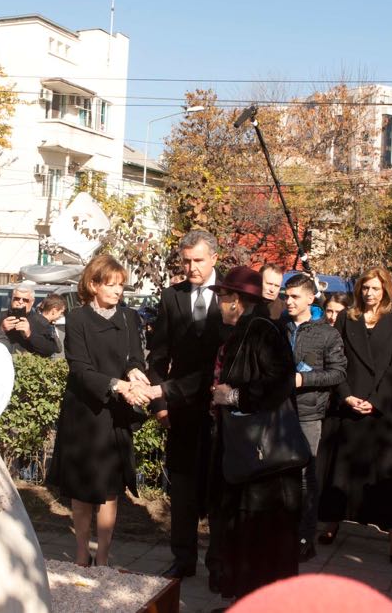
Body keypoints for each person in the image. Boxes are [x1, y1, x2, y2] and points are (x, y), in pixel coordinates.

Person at [132, 266, 303, 601]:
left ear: (237, 301)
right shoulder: (239, 331)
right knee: (236, 527)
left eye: (223, 297)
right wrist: (162, 391)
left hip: (263, 457)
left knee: (259, 532)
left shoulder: (262, 331)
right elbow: (201, 378)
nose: (219, 303)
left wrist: (235, 396)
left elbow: (280, 382)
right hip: (240, 449)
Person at [46, 254, 147, 568]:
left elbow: (135, 358)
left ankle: (103, 555)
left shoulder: (129, 318)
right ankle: (80, 551)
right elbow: (79, 368)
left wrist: (135, 373)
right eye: (112, 285)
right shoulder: (77, 319)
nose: (118, 291)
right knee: (81, 488)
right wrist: (117, 384)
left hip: (114, 413)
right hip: (84, 413)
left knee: (110, 488)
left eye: (121, 285)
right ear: (93, 284)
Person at [145, 229, 224, 585]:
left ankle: (220, 564)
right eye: (186, 261)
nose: (191, 268)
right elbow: (159, 355)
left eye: (198, 261)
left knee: (221, 490)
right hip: (181, 409)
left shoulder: (230, 298)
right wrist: (160, 403)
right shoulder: (172, 297)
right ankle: (183, 559)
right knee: (183, 488)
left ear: (214, 259)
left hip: (223, 411)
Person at [317, 267, 392, 565]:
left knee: (385, 475)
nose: (369, 293)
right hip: (349, 405)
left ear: (385, 289)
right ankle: (332, 521)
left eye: (375, 288)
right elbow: (336, 359)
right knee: (339, 471)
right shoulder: (348, 317)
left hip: (380, 411)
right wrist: (346, 395)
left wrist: (375, 400)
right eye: (365, 288)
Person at [281, 273, 347, 561]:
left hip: (308, 413)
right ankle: (281, 534)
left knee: (306, 477)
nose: (289, 301)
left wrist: (303, 380)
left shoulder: (327, 333)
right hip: (277, 412)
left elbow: (338, 373)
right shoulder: (278, 327)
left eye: (295, 296)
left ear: (310, 298)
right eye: (286, 296)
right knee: (278, 476)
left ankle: (304, 538)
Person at [0, 285, 58, 357]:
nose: (20, 302)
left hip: (28, 365)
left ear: (32, 302)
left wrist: (29, 334)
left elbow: (50, 350)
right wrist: (1, 330)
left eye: (25, 300)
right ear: (12, 299)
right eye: (17, 298)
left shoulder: (41, 322)